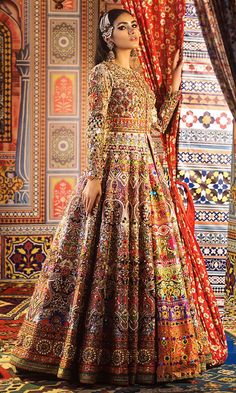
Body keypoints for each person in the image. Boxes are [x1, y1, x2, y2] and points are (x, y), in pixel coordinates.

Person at [11, 8, 227, 386]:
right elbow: (97, 124)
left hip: (146, 169)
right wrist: (94, 177)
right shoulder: (102, 73)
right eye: (123, 27)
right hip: (114, 169)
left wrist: (174, 85)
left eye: (134, 27)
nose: (133, 33)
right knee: (106, 250)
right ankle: (94, 348)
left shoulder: (141, 78)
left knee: (149, 257)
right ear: (108, 36)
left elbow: (156, 127)